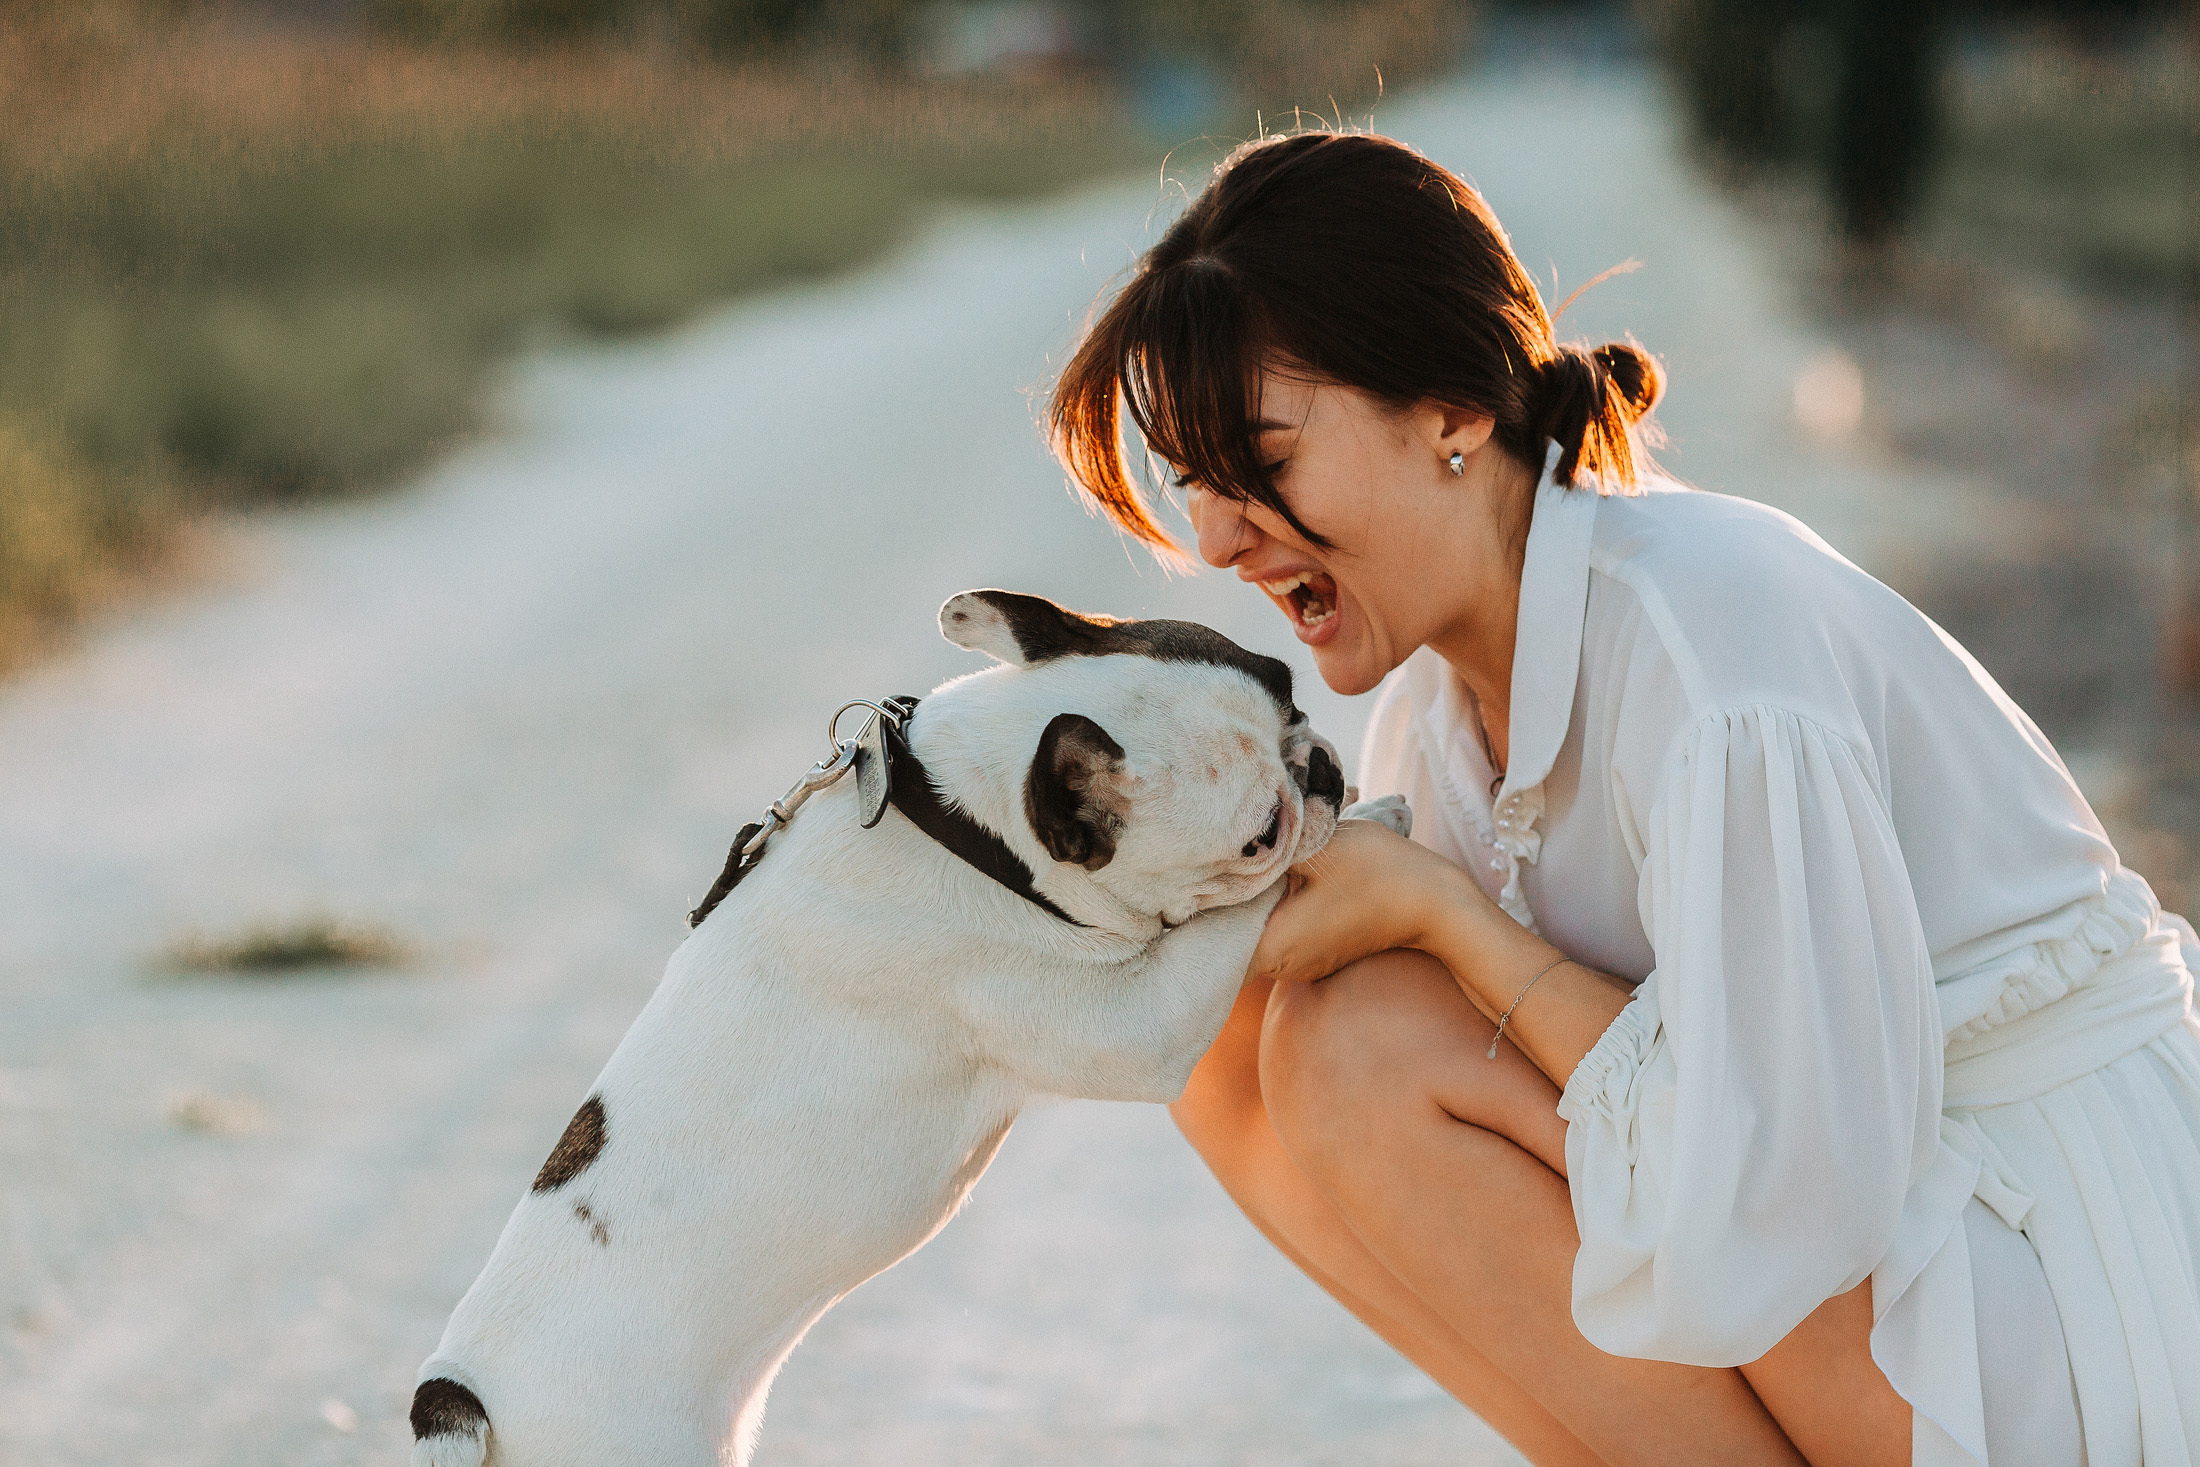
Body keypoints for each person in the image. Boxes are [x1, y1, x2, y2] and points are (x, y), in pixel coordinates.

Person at [1046, 130, 2200, 1467]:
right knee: (1234, 1025)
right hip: (1879, 1250)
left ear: (1452, 410)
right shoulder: (1433, 723)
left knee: (1367, 1037)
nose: (1215, 538)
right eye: (1195, 482)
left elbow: (1789, 1183)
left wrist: (1451, 921)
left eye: (1263, 457)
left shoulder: (1712, 656)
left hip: (2071, 1275)